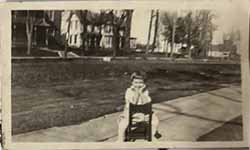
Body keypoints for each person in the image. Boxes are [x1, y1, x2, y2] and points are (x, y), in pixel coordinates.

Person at [117, 71, 159, 142]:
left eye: (140, 83)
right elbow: (133, 102)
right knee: (122, 124)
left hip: (142, 114)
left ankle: (152, 134)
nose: (138, 85)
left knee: (155, 120)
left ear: (144, 83)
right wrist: (137, 92)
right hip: (132, 115)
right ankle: (121, 138)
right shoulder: (129, 91)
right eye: (136, 83)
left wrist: (141, 92)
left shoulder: (145, 91)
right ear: (132, 83)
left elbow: (146, 102)